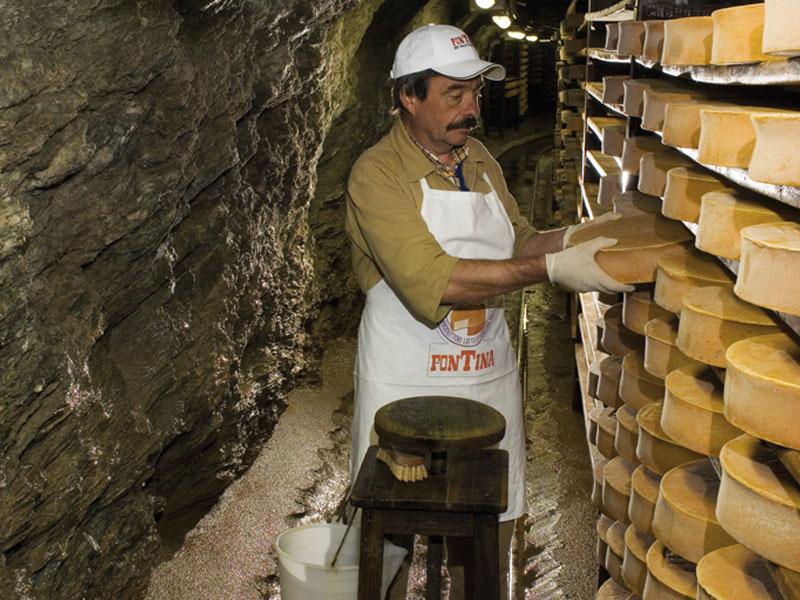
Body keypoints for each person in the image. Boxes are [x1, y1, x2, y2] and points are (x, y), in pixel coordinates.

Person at [344, 23, 633, 599]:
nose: (472, 108)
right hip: (406, 387)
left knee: (487, 539)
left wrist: (573, 238)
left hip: (484, 377)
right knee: (388, 550)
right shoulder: (376, 175)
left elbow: (517, 240)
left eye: (475, 92)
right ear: (409, 96)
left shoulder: (477, 158)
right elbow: (434, 278)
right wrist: (549, 271)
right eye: (454, 95)